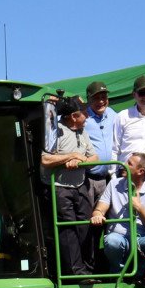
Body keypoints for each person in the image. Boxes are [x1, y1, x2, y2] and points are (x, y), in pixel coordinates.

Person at [40, 96, 99, 276]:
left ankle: (89, 268)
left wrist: (83, 161)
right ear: (74, 116)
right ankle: (76, 273)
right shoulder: (54, 131)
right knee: (68, 229)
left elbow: (94, 157)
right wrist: (70, 156)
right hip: (60, 187)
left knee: (85, 226)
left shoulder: (83, 132)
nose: (88, 117)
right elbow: (45, 159)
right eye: (84, 114)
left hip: (80, 185)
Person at [89, 152, 145, 275]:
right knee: (112, 241)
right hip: (118, 236)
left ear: (140, 171)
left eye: (129, 164)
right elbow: (100, 209)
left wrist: (139, 207)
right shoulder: (114, 184)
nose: (123, 165)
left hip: (141, 238)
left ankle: (139, 273)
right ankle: (118, 273)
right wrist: (97, 214)